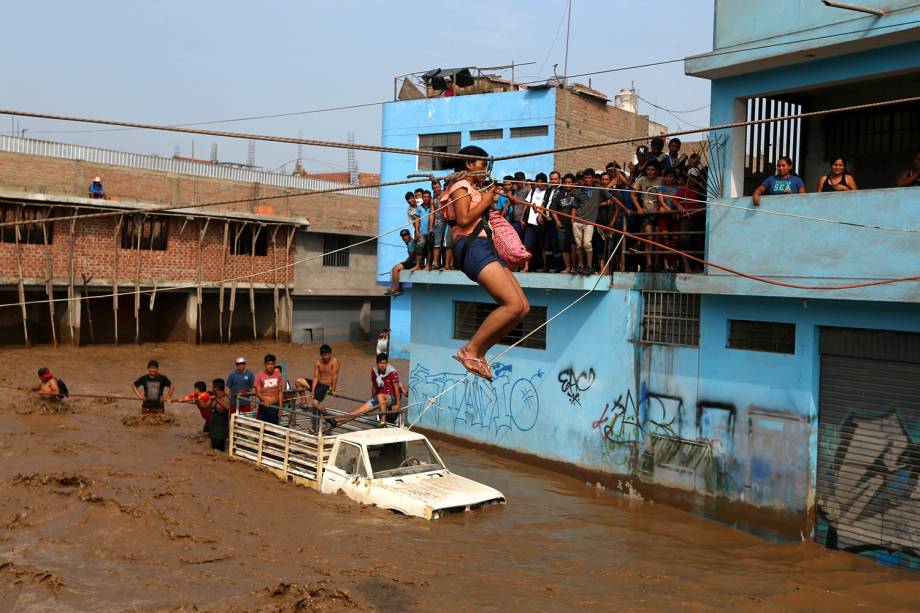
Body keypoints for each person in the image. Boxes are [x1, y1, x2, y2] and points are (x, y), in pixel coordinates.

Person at [446, 145, 529, 381]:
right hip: (472, 247)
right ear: (469, 164)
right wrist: (485, 197)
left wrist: (489, 196)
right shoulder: (459, 186)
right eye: (482, 164)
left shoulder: (473, 188)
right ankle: (469, 350)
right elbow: (463, 219)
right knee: (511, 305)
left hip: (485, 247)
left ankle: (479, 353)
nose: (485, 169)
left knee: (523, 307)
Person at [331, 353, 403, 428]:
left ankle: (383, 421)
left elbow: (396, 388)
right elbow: (374, 386)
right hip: (379, 398)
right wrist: (372, 398)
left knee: (380, 396)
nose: (382, 365)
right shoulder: (374, 371)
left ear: (387, 363)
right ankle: (336, 420)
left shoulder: (392, 372)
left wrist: (397, 405)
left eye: (384, 363)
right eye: (380, 363)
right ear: (377, 363)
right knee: (359, 410)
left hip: (391, 398)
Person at [631, 159, 664, 271]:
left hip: (659, 213)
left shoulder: (662, 180)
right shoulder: (642, 180)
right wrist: (639, 208)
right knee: (649, 238)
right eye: (648, 169)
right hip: (647, 213)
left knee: (658, 240)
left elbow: (668, 193)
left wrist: (662, 206)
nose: (650, 172)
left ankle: (656, 264)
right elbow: (632, 194)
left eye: (652, 170)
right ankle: (649, 264)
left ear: (657, 171)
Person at [571, 168, 605, 275]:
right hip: (577, 221)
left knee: (587, 244)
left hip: (589, 222)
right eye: (585, 178)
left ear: (593, 178)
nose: (586, 180)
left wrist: (625, 209)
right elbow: (574, 206)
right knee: (578, 245)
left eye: (589, 177)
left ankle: (589, 266)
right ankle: (580, 265)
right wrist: (573, 220)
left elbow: (610, 197)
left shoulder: (598, 189)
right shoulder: (579, 190)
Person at [655, 168, 684, 272]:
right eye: (666, 176)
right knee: (665, 240)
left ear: (674, 178)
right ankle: (667, 265)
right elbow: (661, 201)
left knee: (675, 241)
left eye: (671, 176)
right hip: (665, 217)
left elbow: (681, 202)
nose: (668, 178)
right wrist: (670, 211)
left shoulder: (679, 188)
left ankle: (674, 264)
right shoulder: (661, 188)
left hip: (675, 218)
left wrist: (674, 212)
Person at [550, 173, 578, 273]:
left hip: (574, 225)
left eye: (569, 182)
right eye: (565, 182)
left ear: (574, 183)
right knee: (564, 247)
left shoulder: (577, 193)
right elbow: (552, 210)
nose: (567, 184)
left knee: (574, 246)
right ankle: (568, 267)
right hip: (562, 225)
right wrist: (557, 221)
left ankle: (574, 267)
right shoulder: (559, 194)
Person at [522, 173, 548, 272]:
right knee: (527, 245)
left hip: (542, 223)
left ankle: (545, 266)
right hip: (531, 222)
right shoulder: (533, 191)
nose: (539, 184)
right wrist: (522, 218)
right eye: (538, 182)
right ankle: (526, 266)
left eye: (541, 182)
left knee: (543, 246)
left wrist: (541, 214)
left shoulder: (548, 192)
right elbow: (526, 205)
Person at [254, 354, 284, 424]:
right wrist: (265, 400)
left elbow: (280, 391)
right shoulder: (259, 376)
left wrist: (280, 407)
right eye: (268, 364)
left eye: (272, 364)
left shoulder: (278, 375)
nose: (270, 366)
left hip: (275, 406)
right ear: (265, 364)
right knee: (263, 429)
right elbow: (257, 392)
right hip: (264, 406)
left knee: (273, 428)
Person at [386, 229, 416, 297]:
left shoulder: (411, 243)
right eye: (402, 236)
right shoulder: (410, 242)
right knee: (400, 268)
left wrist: (405, 262)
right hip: (413, 262)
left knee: (395, 268)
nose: (404, 237)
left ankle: (394, 288)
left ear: (409, 235)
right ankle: (400, 288)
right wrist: (404, 262)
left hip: (413, 263)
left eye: (405, 235)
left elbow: (412, 257)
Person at [311, 344, 340, 412]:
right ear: (321, 355)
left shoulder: (334, 361)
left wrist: (333, 389)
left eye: (328, 354)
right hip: (318, 384)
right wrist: (313, 391)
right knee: (298, 381)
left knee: (314, 403)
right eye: (325, 355)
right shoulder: (318, 362)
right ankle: (304, 403)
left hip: (326, 386)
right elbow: (315, 377)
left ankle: (327, 416)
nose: (327, 356)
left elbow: (335, 375)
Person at [208, 378, 231, 452]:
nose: (211, 389)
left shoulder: (225, 398)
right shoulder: (213, 397)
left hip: (220, 432)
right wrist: (197, 400)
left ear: (216, 388)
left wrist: (217, 399)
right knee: (216, 453)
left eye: (212, 387)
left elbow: (228, 407)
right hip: (213, 431)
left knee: (217, 452)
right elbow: (204, 405)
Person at [430, 181, 446, 270]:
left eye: (437, 187)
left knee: (446, 244)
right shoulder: (433, 199)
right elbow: (432, 213)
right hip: (437, 223)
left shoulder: (445, 194)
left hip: (447, 222)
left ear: (440, 186)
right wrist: (431, 227)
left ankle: (446, 265)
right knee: (436, 244)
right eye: (434, 188)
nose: (436, 189)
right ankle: (435, 263)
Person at [418, 190, 432, 269]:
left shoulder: (432, 207)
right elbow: (417, 220)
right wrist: (416, 230)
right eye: (424, 197)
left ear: (430, 198)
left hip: (430, 232)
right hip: (422, 232)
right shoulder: (419, 207)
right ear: (422, 198)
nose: (426, 198)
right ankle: (421, 265)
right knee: (421, 249)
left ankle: (428, 265)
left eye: (427, 197)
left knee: (429, 249)